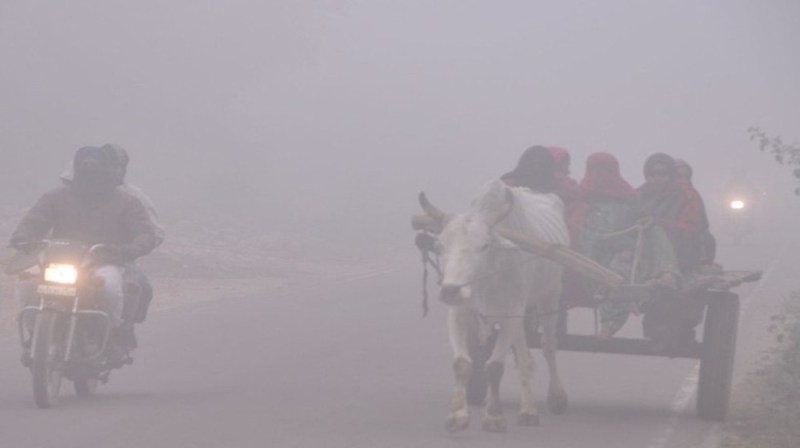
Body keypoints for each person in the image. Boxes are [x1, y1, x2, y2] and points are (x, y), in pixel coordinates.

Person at [10, 146, 161, 356]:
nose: (91, 173)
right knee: (26, 281)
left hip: (104, 260)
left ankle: (113, 334)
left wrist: (126, 250)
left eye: (96, 168)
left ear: (106, 169)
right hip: (58, 259)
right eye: (85, 167)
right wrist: (23, 238)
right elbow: (33, 222)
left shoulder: (127, 201)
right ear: (76, 167)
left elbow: (146, 233)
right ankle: (34, 332)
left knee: (109, 287)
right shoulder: (55, 197)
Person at [578, 153, 681, 338]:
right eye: (595, 169)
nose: (657, 178)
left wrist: (628, 248)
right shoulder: (579, 197)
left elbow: (639, 227)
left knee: (620, 274)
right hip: (588, 254)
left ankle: (609, 325)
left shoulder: (630, 197)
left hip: (625, 251)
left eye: (605, 170)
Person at [637, 153, 709, 274]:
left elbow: (692, 229)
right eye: (652, 174)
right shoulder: (640, 195)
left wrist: (659, 224)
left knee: (656, 230)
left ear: (671, 175)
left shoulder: (686, 195)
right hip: (644, 250)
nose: (657, 178)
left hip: (682, 249)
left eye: (662, 174)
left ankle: (667, 273)